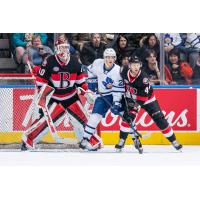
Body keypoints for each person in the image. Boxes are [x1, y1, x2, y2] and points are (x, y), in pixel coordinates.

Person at [21, 39, 101, 150]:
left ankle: (90, 142)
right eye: (62, 47)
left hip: (71, 97)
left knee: (84, 120)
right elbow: (41, 81)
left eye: (66, 47)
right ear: (57, 48)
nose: (65, 49)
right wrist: (42, 93)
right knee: (45, 122)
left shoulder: (74, 61)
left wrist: (87, 91)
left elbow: (80, 82)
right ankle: (28, 141)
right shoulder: (49, 61)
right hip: (55, 98)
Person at [115, 56, 183, 151]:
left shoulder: (143, 78)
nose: (136, 67)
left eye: (137, 65)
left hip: (148, 100)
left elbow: (142, 98)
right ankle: (121, 140)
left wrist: (134, 110)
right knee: (127, 119)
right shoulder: (124, 72)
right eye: (133, 65)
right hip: (131, 99)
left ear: (140, 65)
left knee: (160, 120)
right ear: (129, 65)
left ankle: (174, 141)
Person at [79, 48, 125, 151]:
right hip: (102, 96)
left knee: (126, 116)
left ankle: (130, 139)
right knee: (94, 117)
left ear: (115, 58)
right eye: (108, 57)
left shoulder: (118, 70)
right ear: (104, 58)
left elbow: (118, 90)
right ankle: (85, 139)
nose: (110, 59)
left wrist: (116, 103)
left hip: (115, 95)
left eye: (112, 57)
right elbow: (89, 70)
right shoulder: (97, 63)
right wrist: (92, 84)